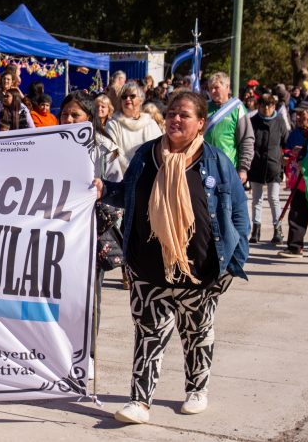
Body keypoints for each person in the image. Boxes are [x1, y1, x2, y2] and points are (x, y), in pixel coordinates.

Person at [95, 91, 249, 424]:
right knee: (148, 335)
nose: (175, 119)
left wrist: (233, 263)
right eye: (171, 113)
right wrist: (104, 189)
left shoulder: (217, 162)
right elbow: (127, 193)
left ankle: (197, 390)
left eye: (184, 115)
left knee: (197, 335)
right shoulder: (145, 155)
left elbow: (238, 211)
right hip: (148, 269)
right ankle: (140, 402)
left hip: (200, 271)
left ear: (201, 123)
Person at [59, 91, 122, 380]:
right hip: (56, 233)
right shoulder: (48, 145)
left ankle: (88, 354)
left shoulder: (105, 149)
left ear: (89, 118)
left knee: (89, 296)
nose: (69, 120)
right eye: (65, 114)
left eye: (76, 115)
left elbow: (118, 191)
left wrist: (101, 194)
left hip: (90, 234)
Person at [277, 101, 308, 258]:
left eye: (301, 114)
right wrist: (286, 157)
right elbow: (286, 150)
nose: (298, 117)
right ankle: (295, 247)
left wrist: (304, 153)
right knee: (297, 214)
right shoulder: (294, 134)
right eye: (297, 114)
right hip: (298, 181)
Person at [249, 93, 290, 244]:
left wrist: (285, 158)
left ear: (274, 106)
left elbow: (286, 142)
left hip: (274, 165)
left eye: (270, 105)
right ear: (259, 106)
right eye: (263, 105)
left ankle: (278, 230)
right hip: (256, 165)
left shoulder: (279, 121)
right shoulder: (253, 121)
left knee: (274, 198)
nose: (266, 108)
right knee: (257, 199)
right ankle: (256, 230)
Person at [205, 72, 255, 186]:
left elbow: (246, 139)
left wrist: (243, 168)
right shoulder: (204, 107)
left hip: (228, 168)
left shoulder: (237, 108)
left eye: (216, 87)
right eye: (210, 88)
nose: (212, 91)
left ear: (227, 87)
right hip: (205, 166)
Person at [105, 82, 163, 173]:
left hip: (149, 175)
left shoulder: (150, 123)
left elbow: (159, 149)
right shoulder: (113, 124)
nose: (127, 99)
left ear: (141, 100)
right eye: (124, 97)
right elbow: (113, 152)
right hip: (122, 176)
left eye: (132, 96)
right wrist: (133, 170)